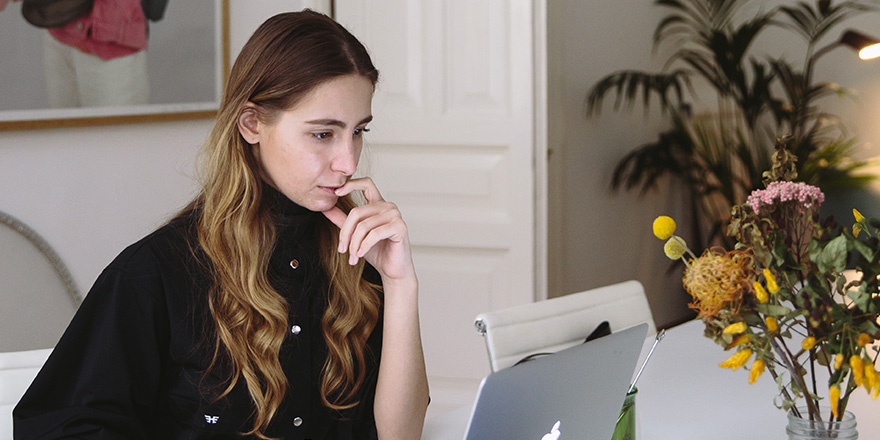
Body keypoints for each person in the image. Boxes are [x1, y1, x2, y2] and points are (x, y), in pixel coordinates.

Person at [13, 9, 430, 440]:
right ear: (251, 124)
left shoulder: (357, 256)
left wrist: (400, 284)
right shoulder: (157, 272)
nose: (347, 162)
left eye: (358, 131)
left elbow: (401, 435)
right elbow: (54, 427)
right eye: (323, 134)